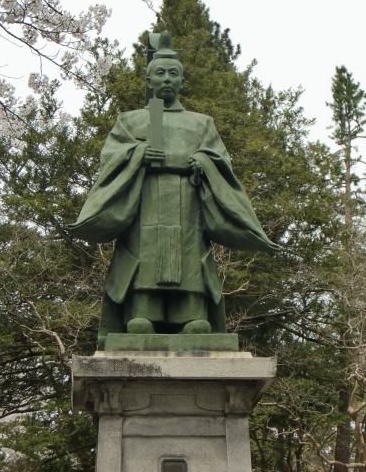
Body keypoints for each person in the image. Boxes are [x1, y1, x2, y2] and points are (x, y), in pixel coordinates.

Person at [68, 34, 278, 348]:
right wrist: (138, 154)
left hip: (189, 202)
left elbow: (220, 159)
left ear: (182, 80)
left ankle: (192, 314)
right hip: (145, 201)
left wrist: (202, 161)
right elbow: (111, 156)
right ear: (148, 80)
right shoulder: (133, 121)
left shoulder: (201, 123)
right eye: (160, 73)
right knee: (144, 253)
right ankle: (142, 311)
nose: (166, 79)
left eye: (173, 74)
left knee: (190, 255)